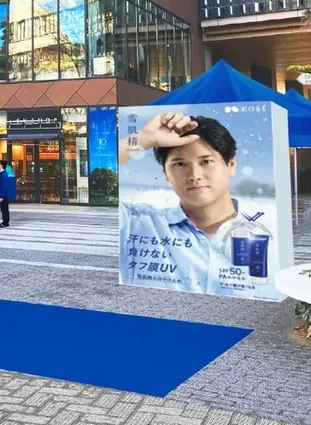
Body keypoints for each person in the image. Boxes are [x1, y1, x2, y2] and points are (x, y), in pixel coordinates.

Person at [118, 112, 275, 298]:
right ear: (165, 174)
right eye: (179, 164)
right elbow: (95, 174)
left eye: (206, 161)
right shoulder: (138, 224)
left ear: (231, 165)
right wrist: (144, 139)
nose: (194, 175)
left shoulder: (265, 236)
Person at [0, 160, 14, 229]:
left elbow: (4, 186)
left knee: (4, 209)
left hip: (3, 195)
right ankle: (4, 221)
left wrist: (1, 196)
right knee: (3, 209)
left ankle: (6, 223)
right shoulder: (1, 173)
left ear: (1, 165)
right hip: (1, 195)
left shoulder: (4, 174)